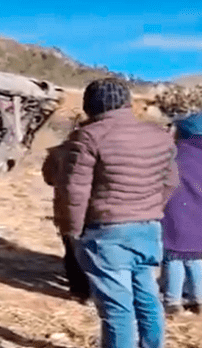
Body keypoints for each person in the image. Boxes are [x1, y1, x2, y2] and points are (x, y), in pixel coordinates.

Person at [57, 78, 179, 348]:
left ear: (89, 106)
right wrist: (150, 208)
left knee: (117, 307)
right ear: (126, 103)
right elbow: (170, 182)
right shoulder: (159, 135)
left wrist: (73, 232)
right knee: (147, 294)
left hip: (107, 231)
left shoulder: (88, 136)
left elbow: (73, 191)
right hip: (148, 228)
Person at [42, 128, 91, 303]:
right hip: (94, 210)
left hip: (65, 209)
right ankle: (91, 288)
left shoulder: (58, 153)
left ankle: (79, 291)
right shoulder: (99, 150)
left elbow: (48, 178)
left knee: (71, 250)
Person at [161, 112, 202, 316]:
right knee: (196, 257)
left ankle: (172, 301)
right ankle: (198, 299)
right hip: (200, 216)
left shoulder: (173, 153)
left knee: (173, 256)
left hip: (175, 211)